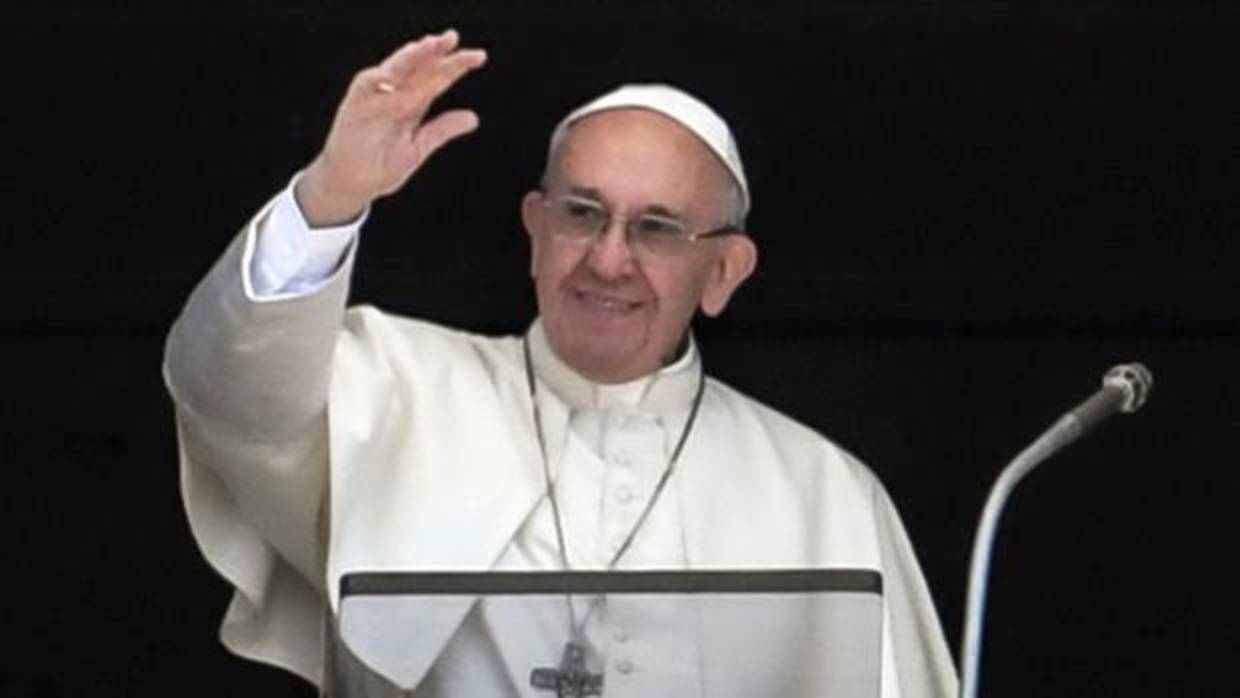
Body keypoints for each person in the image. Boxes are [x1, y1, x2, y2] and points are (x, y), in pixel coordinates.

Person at [164, 29, 958, 697]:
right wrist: (329, 198)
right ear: (535, 231)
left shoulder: (823, 493)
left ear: (723, 273)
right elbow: (229, 391)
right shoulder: (398, 388)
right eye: (582, 214)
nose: (609, 261)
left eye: (656, 229)